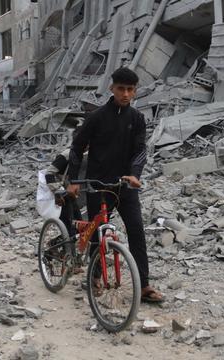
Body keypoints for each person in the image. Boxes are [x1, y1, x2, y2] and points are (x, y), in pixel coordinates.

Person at [66, 67, 164, 303]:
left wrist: (134, 174)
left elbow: (141, 150)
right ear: (112, 88)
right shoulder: (97, 117)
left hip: (124, 185)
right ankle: (95, 276)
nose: (126, 94)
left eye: (131, 89)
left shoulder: (138, 119)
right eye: (121, 89)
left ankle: (143, 286)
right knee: (97, 234)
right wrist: (72, 181)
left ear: (136, 91)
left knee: (137, 231)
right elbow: (76, 147)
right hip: (97, 186)